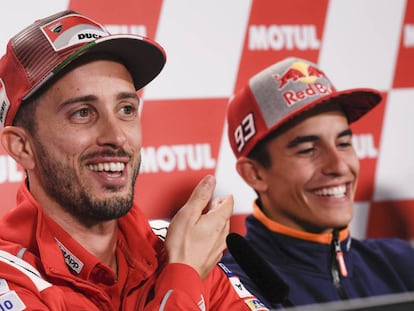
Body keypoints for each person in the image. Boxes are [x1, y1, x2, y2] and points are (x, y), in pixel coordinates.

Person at [0, 10, 268, 310]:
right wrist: (182, 280)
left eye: (126, 109)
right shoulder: (9, 277)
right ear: (21, 146)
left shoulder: (173, 246)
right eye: (83, 112)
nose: (117, 136)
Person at [221, 57, 414, 309]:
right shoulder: (231, 288)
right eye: (308, 149)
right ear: (254, 174)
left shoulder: (401, 262)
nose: (338, 166)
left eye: (344, 143)